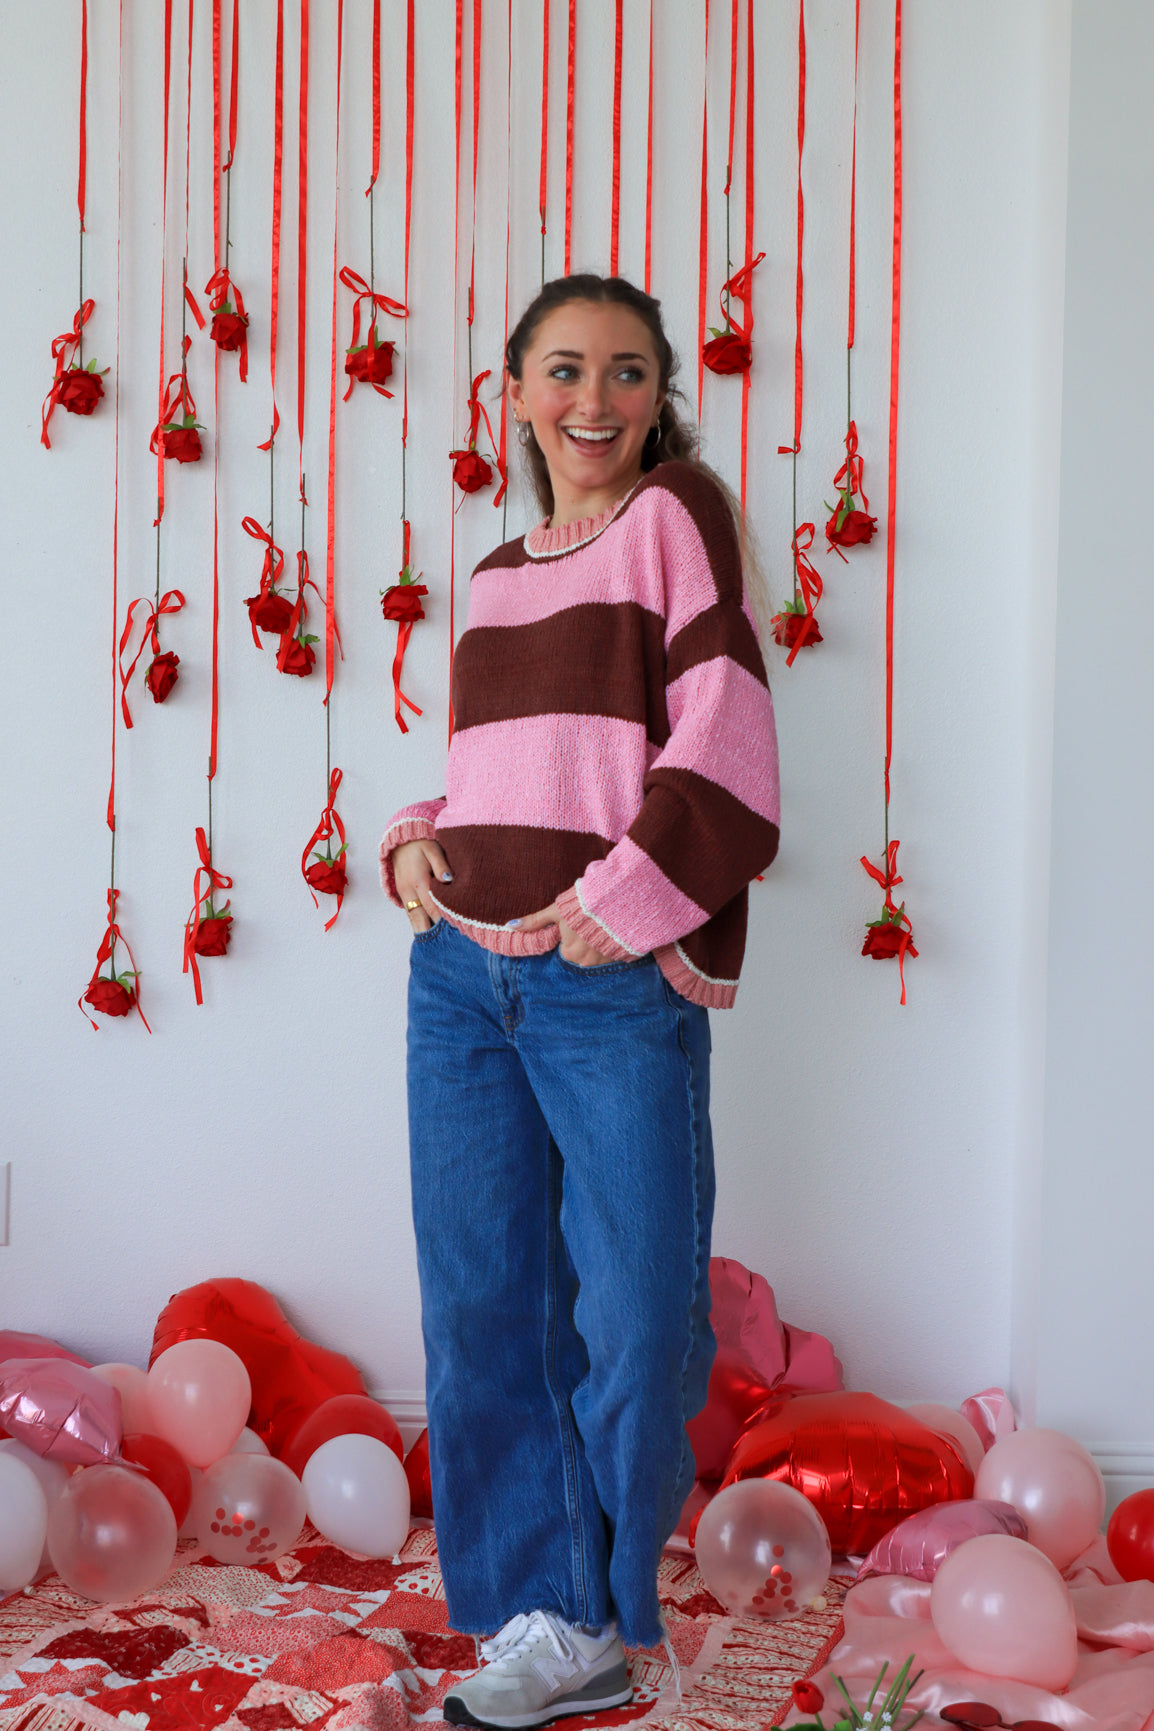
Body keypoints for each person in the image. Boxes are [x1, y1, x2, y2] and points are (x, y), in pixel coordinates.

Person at [379, 273, 780, 1730]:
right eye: (563, 369)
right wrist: (414, 831)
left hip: (604, 982)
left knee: (633, 1316)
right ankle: (529, 1616)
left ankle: (600, 1609)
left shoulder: (676, 518)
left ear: (658, 389)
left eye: (624, 371)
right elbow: (509, 769)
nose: (592, 400)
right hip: (457, 976)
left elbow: (726, 742)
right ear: (513, 389)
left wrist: (617, 907)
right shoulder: (493, 574)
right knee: (485, 1310)